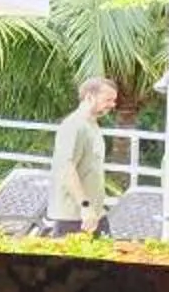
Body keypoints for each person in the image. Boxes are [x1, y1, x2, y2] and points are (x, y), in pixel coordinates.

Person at [44, 76, 116, 235]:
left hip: (96, 213)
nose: (112, 105)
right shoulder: (73, 125)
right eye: (108, 100)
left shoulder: (92, 125)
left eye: (113, 100)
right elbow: (66, 168)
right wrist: (85, 206)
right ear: (90, 97)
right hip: (74, 216)